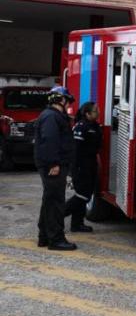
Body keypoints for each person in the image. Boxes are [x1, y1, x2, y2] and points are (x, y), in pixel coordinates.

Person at [34, 86, 77, 250]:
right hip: (52, 165)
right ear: (61, 99)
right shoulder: (51, 117)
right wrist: (54, 164)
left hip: (53, 164)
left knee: (49, 200)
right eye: (68, 101)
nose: (68, 105)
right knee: (55, 202)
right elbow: (50, 141)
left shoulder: (53, 116)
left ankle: (44, 236)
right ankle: (56, 239)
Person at [64, 102, 102, 233]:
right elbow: (75, 150)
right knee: (82, 196)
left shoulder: (95, 126)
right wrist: (74, 170)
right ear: (87, 114)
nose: (98, 113)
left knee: (85, 195)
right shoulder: (81, 127)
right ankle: (55, 217)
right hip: (81, 166)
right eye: (95, 111)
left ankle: (77, 224)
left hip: (91, 164)